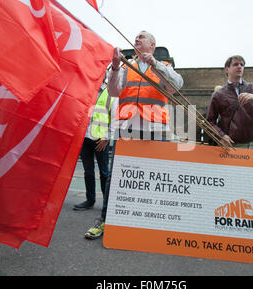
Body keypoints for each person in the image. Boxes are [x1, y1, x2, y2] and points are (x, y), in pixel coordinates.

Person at [84, 30, 184, 239]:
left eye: (142, 36)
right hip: (127, 130)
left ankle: (149, 224)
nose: (137, 38)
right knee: (116, 176)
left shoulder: (163, 67)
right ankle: (105, 220)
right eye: (136, 36)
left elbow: (176, 86)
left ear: (152, 45)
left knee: (154, 177)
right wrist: (113, 67)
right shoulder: (124, 67)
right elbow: (113, 92)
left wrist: (156, 64)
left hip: (155, 131)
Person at [206, 55, 253, 237]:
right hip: (233, 147)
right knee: (232, 185)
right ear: (227, 69)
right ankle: (226, 220)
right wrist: (221, 135)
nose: (239, 67)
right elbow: (209, 121)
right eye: (235, 64)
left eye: (242, 65)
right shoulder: (219, 94)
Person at [74, 79, 118, 211]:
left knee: (104, 172)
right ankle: (90, 200)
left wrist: (107, 137)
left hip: (100, 139)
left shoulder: (110, 93)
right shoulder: (86, 90)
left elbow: (115, 118)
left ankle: (107, 203)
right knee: (88, 171)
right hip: (84, 137)